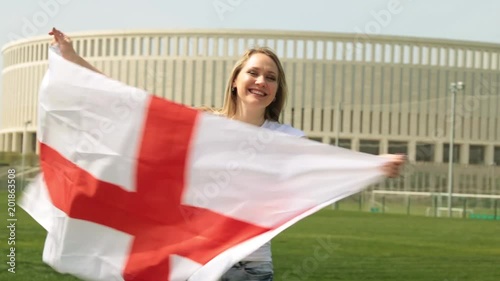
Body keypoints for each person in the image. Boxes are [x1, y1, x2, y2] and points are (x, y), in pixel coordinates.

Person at [49, 28, 405, 281]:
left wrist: (373, 166)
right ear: (236, 79)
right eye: (254, 72)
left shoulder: (288, 138)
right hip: (200, 265)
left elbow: (324, 169)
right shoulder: (203, 126)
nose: (262, 82)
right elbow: (130, 106)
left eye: (271, 77)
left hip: (254, 269)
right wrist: (73, 59)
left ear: (277, 89)